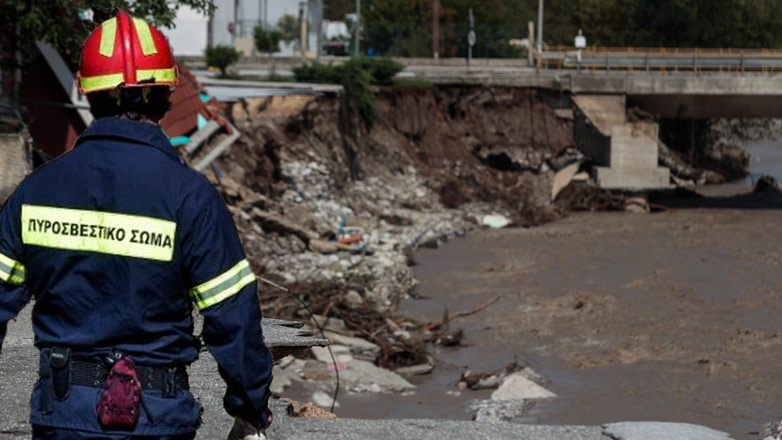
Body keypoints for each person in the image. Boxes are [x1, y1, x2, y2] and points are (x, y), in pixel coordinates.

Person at [0, 11, 273, 439]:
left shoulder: (36, 192)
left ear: (86, 91)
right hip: (157, 416)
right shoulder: (191, 197)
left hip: (63, 414)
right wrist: (251, 406)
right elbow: (232, 316)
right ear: (166, 93)